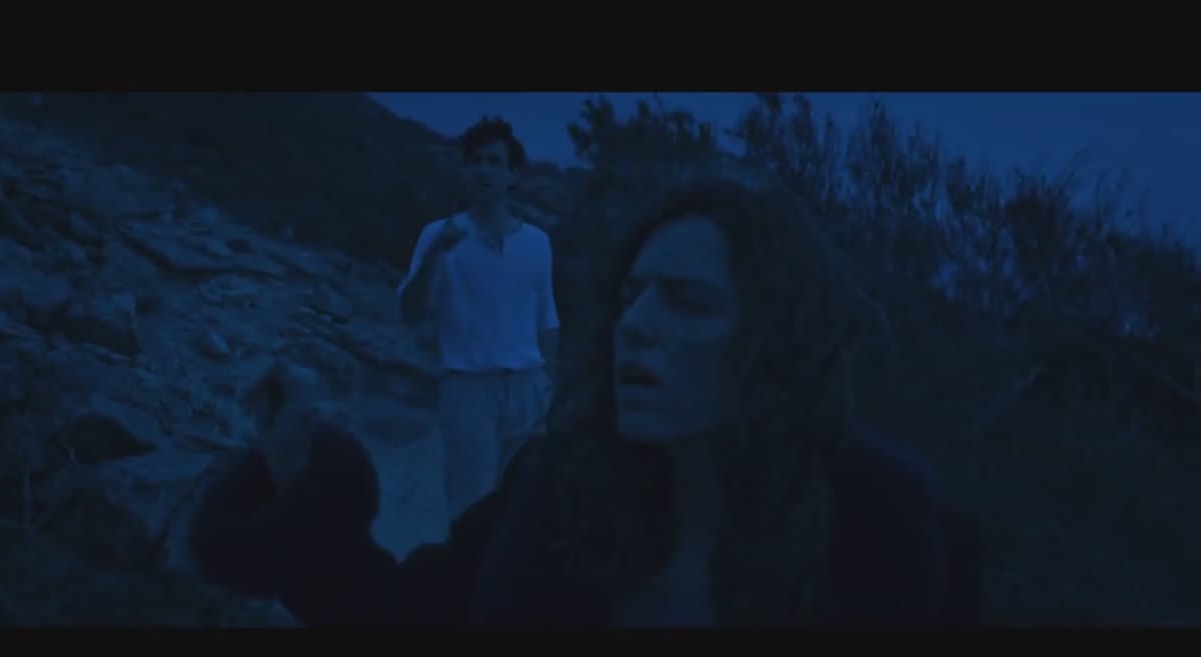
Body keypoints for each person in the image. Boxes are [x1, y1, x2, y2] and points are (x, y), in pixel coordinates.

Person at [188, 178, 985, 627]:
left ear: (778, 343)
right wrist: (293, 470)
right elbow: (402, 620)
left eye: (689, 301)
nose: (636, 325)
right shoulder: (562, 493)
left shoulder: (886, 534)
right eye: (631, 296)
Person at [396, 117, 559, 528]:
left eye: (494, 161)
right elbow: (411, 314)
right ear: (464, 170)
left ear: (512, 174)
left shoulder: (537, 242)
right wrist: (434, 255)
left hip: (528, 387)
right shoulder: (439, 236)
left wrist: (552, 388)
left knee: (526, 507)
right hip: (468, 388)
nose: (484, 170)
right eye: (475, 161)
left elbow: (546, 317)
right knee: (472, 512)